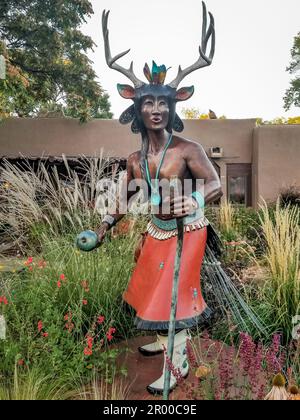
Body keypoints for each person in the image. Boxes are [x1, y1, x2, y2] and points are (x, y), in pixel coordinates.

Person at [95, 4, 222, 395]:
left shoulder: (188, 148)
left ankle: (177, 365)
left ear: (174, 105)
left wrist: (195, 199)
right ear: (135, 104)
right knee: (148, 285)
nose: (156, 109)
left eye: (163, 103)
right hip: (157, 228)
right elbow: (125, 197)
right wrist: (100, 229)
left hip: (188, 231)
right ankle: (162, 341)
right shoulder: (135, 159)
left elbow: (214, 183)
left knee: (176, 296)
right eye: (148, 102)